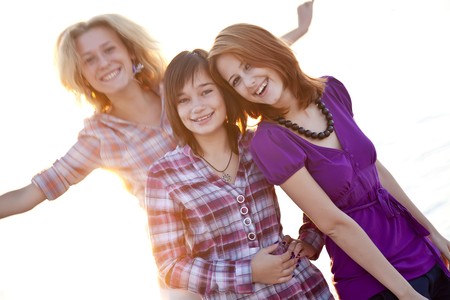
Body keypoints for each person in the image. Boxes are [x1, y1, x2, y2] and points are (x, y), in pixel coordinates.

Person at [0, 3, 314, 299]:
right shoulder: (100, 137)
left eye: (109, 49)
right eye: (89, 59)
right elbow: (34, 191)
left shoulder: (178, 91)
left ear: (130, 50)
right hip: (188, 270)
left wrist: (297, 31)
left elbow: (233, 73)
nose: (104, 62)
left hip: (253, 245)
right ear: (80, 74)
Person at [208, 23, 450, 299]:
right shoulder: (270, 141)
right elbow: (332, 223)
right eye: (236, 81)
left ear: (268, 50)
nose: (248, 82)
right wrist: (406, 293)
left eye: (248, 66)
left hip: (418, 249)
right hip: (374, 280)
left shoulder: (332, 91)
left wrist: (434, 235)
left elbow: (376, 171)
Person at [145, 48, 333, 299]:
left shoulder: (261, 144)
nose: (197, 107)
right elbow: (170, 266)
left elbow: (322, 190)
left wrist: (310, 239)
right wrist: (248, 272)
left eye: (206, 91)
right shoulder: (164, 175)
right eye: (184, 100)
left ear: (224, 92)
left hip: (304, 288)